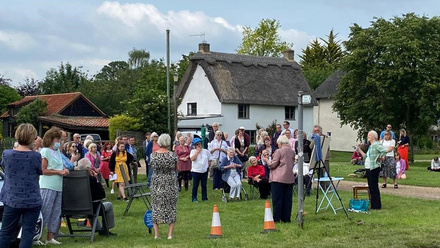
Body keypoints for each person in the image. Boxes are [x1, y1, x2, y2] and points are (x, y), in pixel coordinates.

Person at [0, 124, 43, 248]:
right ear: (32, 138)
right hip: (32, 199)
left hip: (12, 198)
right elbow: (39, 172)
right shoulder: (36, 156)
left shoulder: (7, 154)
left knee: (6, 232)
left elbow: (4, 167)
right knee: (27, 233)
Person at [39, 126, 70, 245]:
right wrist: (58, 172)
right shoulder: (45, 151)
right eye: (58, 139)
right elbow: (43, 170)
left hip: (58, 185)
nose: (59, 142)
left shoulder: (57, 151)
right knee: (45, 211)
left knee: (56, 212)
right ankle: (38, 236)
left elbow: (59, 166)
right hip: (47, 185)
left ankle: (50, 237)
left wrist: (64, 170)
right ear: (51, 139)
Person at [76, 158, 116, 236]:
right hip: (90, 207)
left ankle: (99, 229)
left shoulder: (74, 179)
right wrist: (97, 180)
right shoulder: (91, 179)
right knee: (108, 205)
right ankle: (105, 229)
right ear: (87, 168)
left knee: (92, 206)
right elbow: (102, 195)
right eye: (91, 166)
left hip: (73, 209)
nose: (92, 168)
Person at [150, 134, 179, 240]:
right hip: (170, 182)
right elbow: (177, 168)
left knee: (155, 206)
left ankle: (156, 235)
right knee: (171, 207)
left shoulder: (153, 155)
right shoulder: (173, 155)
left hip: (157, 182)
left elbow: (152, 167)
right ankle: (170, 235)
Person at [262, 135, 295, 222]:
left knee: (277, 199)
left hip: (278, 178)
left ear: (280, 143)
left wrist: (267, 160)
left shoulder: (278, 151)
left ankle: (277, 218)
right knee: (287, 199)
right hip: (289, 178)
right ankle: (286, 218)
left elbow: (273, 165)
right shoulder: (292, 152)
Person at [356, 130, 388, 210]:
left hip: (373, 168)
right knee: (371, 187)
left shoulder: (376, 144)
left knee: (374, 186)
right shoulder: (371, 146)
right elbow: (366, 156)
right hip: (368, 167)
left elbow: (384, 150)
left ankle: (376, 205)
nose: (368, 136)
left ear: (374, 137)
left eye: (370, 135)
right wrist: (359, 150)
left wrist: (380, 157)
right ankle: (373, 204)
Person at [190, 137, 211, 202]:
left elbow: (210, 159)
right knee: (195, 185)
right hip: (196, 171)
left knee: (204, 185)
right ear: (195, 146)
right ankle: (194, 198)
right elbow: (192, 159)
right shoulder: (193, 151)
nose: (199, 145)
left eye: (199, 144)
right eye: (197, 144)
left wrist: (207, 166)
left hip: (204, 170)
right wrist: (197, 152)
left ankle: (204, 198)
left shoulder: (206, 151)